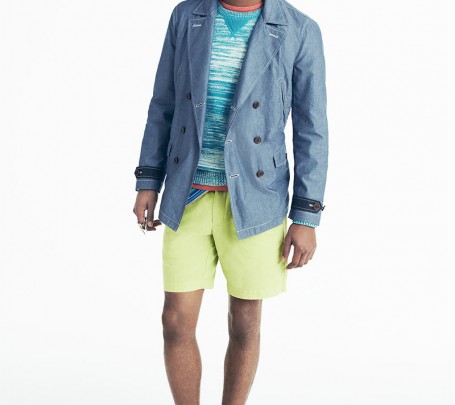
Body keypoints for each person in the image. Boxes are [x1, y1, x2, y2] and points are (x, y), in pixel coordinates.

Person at [132, 0, 328, 402]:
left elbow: (312, 128)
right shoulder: (187, 16)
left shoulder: (300, 29)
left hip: (256, 198)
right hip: (187, 193)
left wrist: (306, 215)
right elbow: (163, 102)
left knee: (245, 322)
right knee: (175, 320)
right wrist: (148, 179)